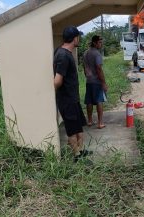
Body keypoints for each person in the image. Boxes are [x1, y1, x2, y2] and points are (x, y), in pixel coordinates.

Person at [53, 26, 89, 162]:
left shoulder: (64, 52)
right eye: (78, 37)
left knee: (79, 126)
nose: (79, 39)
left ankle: (81, 151)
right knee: (72, 130)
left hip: (73, 99)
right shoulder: (63, 55)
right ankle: (77, 157)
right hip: (67, 100)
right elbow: (57, 81)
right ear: (75, 38)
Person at [83, 35, 108, 129]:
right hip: (96, 81)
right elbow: (99, 68)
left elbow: (84, 67)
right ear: (94, 43)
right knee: (99, 100)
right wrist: (104, 82)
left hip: (88, 80)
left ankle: (89, 121)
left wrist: (87, 76)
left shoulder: (85, 53)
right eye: (100, 42)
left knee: (89, 101)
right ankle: (100, 123)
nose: (101, 44)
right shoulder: (97, 54)